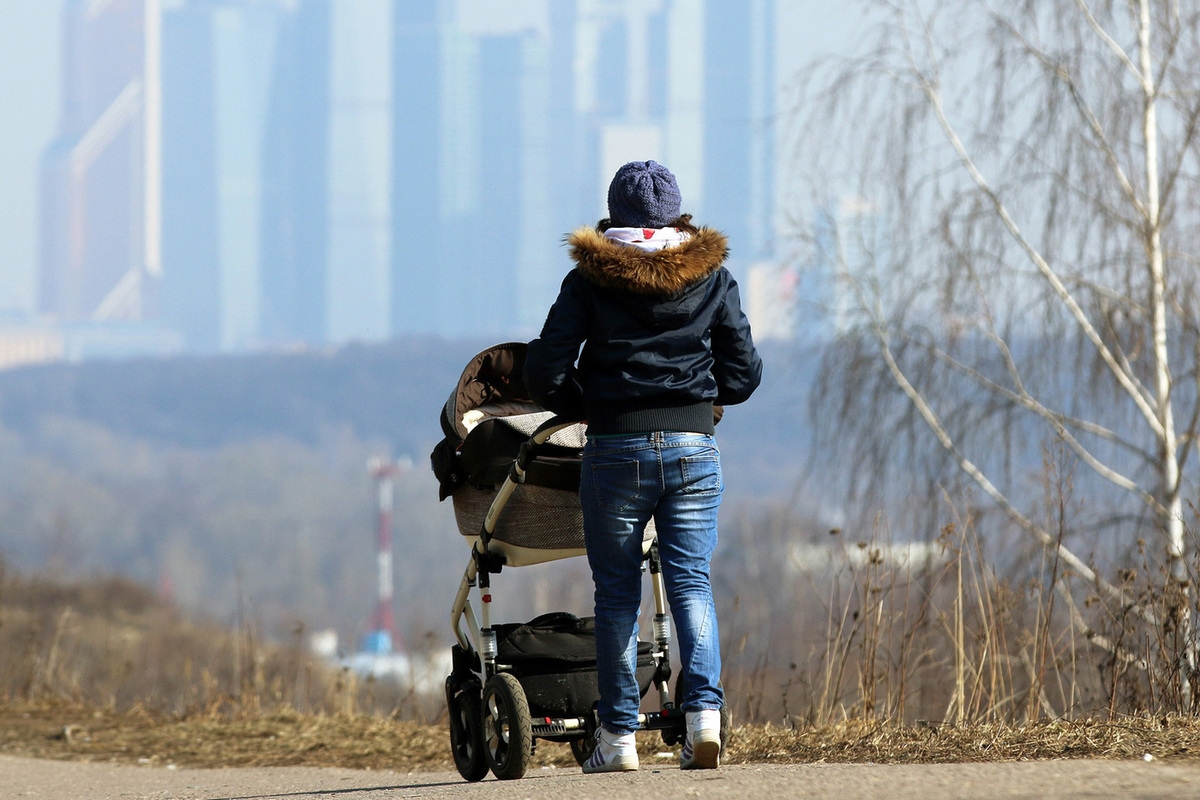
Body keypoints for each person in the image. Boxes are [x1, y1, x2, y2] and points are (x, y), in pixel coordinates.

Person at [523, 160, 762, 773]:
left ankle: (618, 738)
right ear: (676, 214)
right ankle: (704, 716)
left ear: (614, 216)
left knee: (617, 595)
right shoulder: (713, 278)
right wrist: (703, 402)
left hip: (614, 450)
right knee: (691, 583)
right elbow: (744, 372)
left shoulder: (588, 280)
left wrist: (590, 403)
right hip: (692, 446)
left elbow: (546, 369)